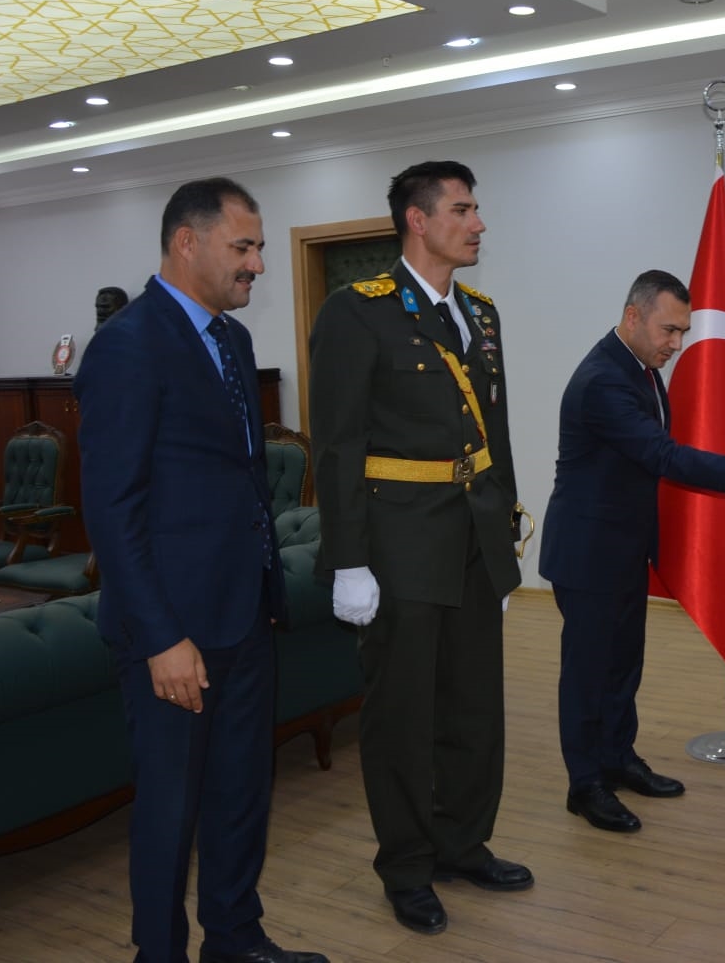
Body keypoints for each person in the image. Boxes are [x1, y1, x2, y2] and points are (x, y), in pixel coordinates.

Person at [75, 178, 328, 963]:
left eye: (260, 248)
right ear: (187, 243)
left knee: (241, 793)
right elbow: (112, 509)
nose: (257, 264)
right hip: (172, 632)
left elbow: (242, 480)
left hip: (245, 612)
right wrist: (160, 638)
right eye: (243, 247)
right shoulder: (127, 345)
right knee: (170, 808)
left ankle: (235, 938)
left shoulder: (233, 341)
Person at [307, 160, 530, 938]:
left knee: (475, 705)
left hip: (472, 540)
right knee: (402, 715)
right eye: (462, 210)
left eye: (476, 209)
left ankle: (462, 843)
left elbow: (495, 436)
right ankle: (406, 867)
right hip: (399, 544)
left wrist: (503, 536)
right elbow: (338, 444)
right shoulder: (357, 311)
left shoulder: (480, 315)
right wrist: (348, 560)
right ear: (418, 220)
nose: (478, 223)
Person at [540, 270, 725, 833]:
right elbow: (664, 456)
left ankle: (618, 759)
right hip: (588, 553)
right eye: (669, 330)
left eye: (683, 332)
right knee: (588, 673)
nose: (677, 343)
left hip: (624, 549)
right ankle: (585, 784)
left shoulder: (640, 369)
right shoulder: (603, 381)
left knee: (623, 664)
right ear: (632, 317)